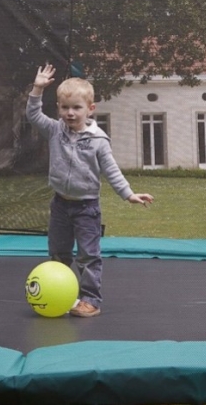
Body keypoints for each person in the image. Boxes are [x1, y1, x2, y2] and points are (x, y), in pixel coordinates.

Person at [26, 63, 154, 317]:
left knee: (88, 256)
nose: (70, 113)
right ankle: (58, 294)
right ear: (59, 108)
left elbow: (111, 169)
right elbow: (34, 115)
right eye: (64, 108)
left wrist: (128, 194)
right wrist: (37, 89)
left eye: (76, 108)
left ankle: (91, 300)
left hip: (86, 208)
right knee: (58, 254)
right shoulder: (55, 130)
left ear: (90, 109)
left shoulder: (98, 140)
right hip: (60, 205)